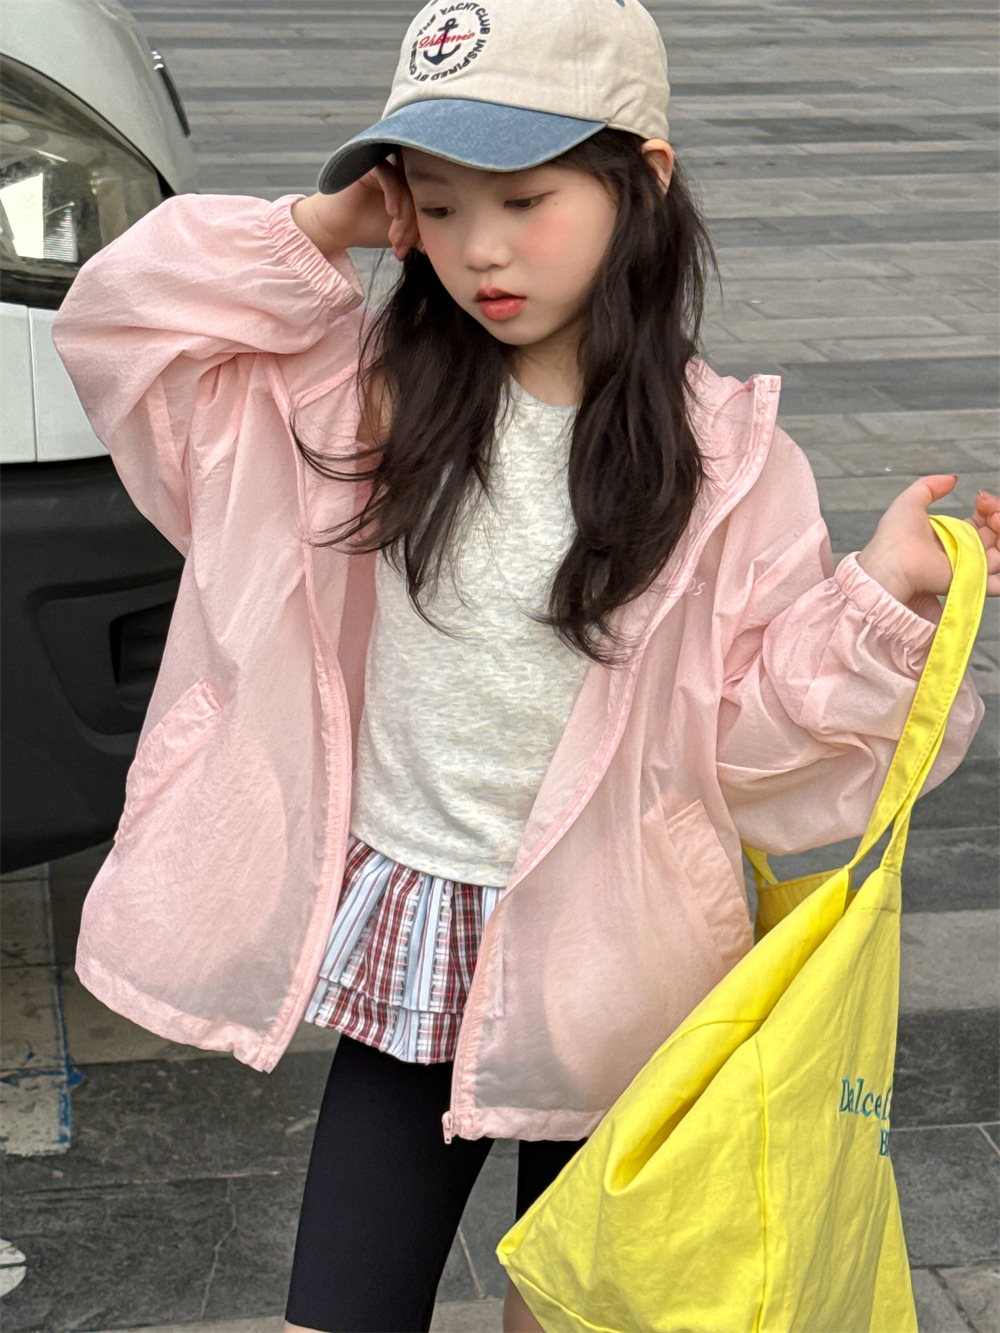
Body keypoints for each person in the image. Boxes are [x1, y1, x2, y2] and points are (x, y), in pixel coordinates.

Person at [52, 1, 997, 1330]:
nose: (480, 251)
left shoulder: (725, 463)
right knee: (338, 1307)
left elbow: (751, 745)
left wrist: (877, 599)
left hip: (622, 967)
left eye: (525, 199)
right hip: (417, 926)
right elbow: (126, 326)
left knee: (575, 1312)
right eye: (436, 206)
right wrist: (317, 229)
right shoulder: (361, 397)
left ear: (642, 181)